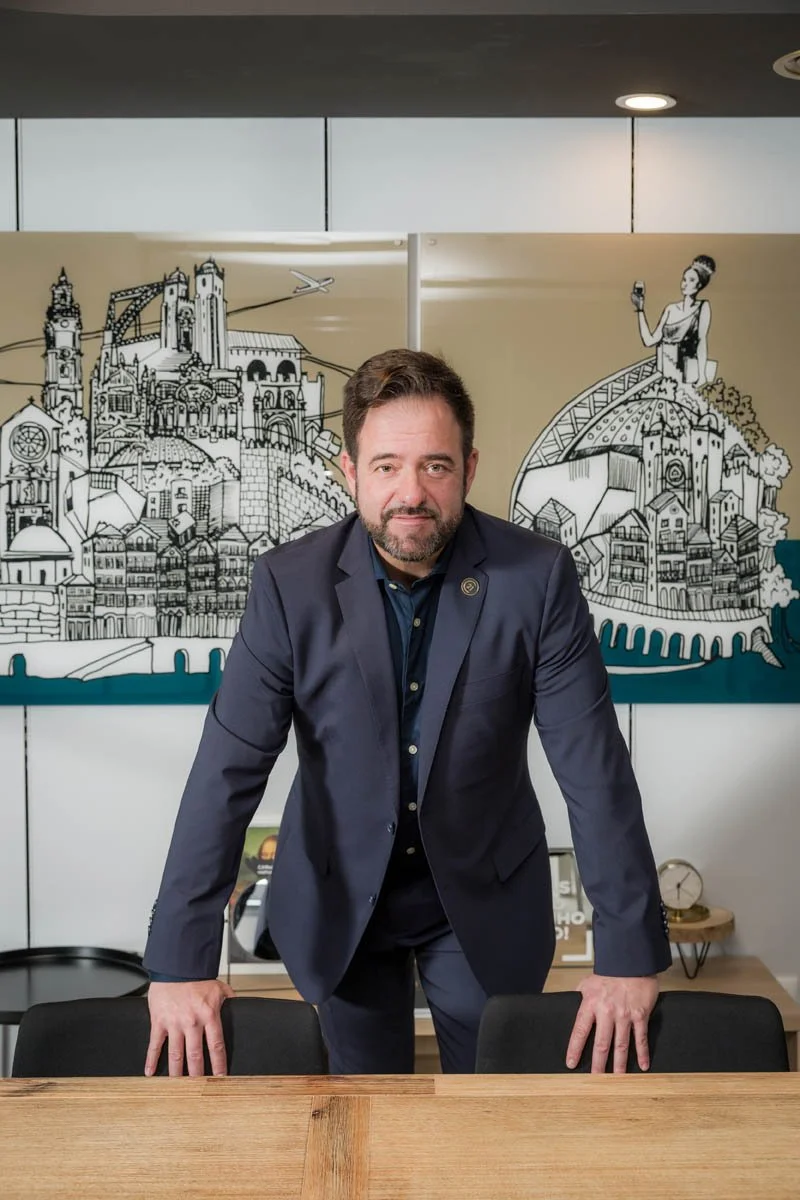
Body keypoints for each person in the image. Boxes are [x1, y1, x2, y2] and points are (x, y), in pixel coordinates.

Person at [143, 348, 671, 1078]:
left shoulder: (538, 579)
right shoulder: (288, 586)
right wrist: (178, 960)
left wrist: (629, 952)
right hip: (337, 896)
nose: (411, 492)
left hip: (484, 893)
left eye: (435, 465)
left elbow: (594, 769)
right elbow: (225, 771)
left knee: (492, 1123)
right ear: (349, 471)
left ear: (470, 468)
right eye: (387, 466)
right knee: (362, 1122)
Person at [632, 254, 717, 386]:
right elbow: (649, 341)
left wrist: (702, 376)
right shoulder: (670, 309)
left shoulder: (702, 307)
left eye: (691, 280)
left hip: (685, 375)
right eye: (684, 279)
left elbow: (701, 341)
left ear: (699, 284)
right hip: (663, 374)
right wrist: (640, 309)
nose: (685, 284)